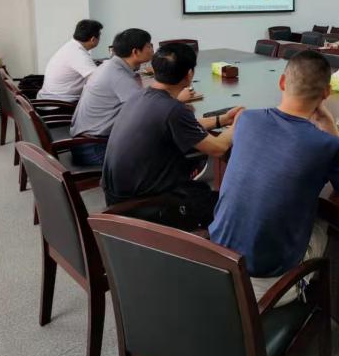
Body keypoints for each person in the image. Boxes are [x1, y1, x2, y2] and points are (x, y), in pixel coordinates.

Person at [210, 50, 339, 304]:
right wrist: (329, 123)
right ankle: (320, 302)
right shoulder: (325, 144)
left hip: (216, 261)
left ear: (282, 82)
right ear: (326, 94)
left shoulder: (246, 120)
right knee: (323, 221)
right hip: (266, 287)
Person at [101, 43, 241, 226]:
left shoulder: (141, 96)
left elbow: (184, 126)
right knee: (234, 207)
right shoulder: (173, 109)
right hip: (146, 205)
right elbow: (219, 148)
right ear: (189, 74)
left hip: (119, 197)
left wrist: (223, 119)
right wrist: (239, 123)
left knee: (203, 191)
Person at [69, 28, 153, 166]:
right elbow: (145, 113)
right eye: (149, 46)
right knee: (162, 151)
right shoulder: (118, 75)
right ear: (135, 52)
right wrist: (177, 100)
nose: (152, 50)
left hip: (87, 142)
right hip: (95, 148)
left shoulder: (110, 66)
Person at [37, 19, 103, 101]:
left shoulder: (71, 46)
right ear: (93, 39)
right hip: (60, 104)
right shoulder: (77, 53)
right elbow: (99, 81)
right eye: (100, 35)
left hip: (50, 98)